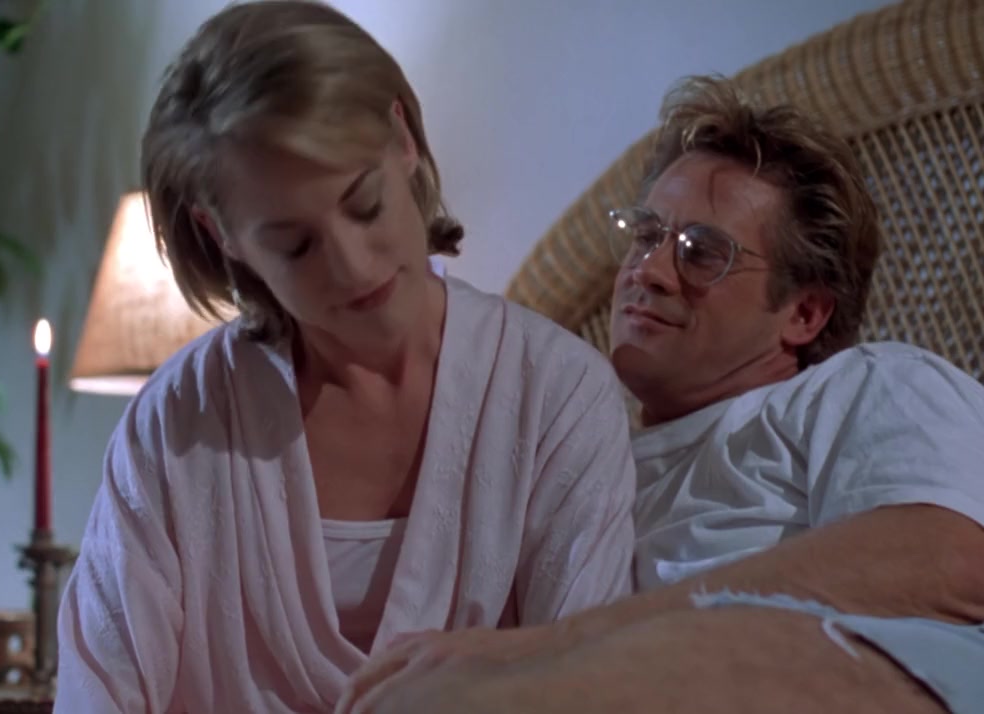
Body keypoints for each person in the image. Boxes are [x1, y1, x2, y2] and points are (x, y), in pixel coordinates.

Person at [338, 76, 984, 713]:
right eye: (646, 235)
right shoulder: (581, 471)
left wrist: (559, 647)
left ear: (804, 313)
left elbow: (951, 564)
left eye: (700, 252)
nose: (648, 270)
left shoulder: (873, 383)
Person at [54, 2, 636, 712]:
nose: (353, 266)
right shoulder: (179, 426)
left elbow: (587, 681)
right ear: (222, 233)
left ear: (402, 137)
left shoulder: (556, 396)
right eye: (295, 245)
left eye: (365, 206)